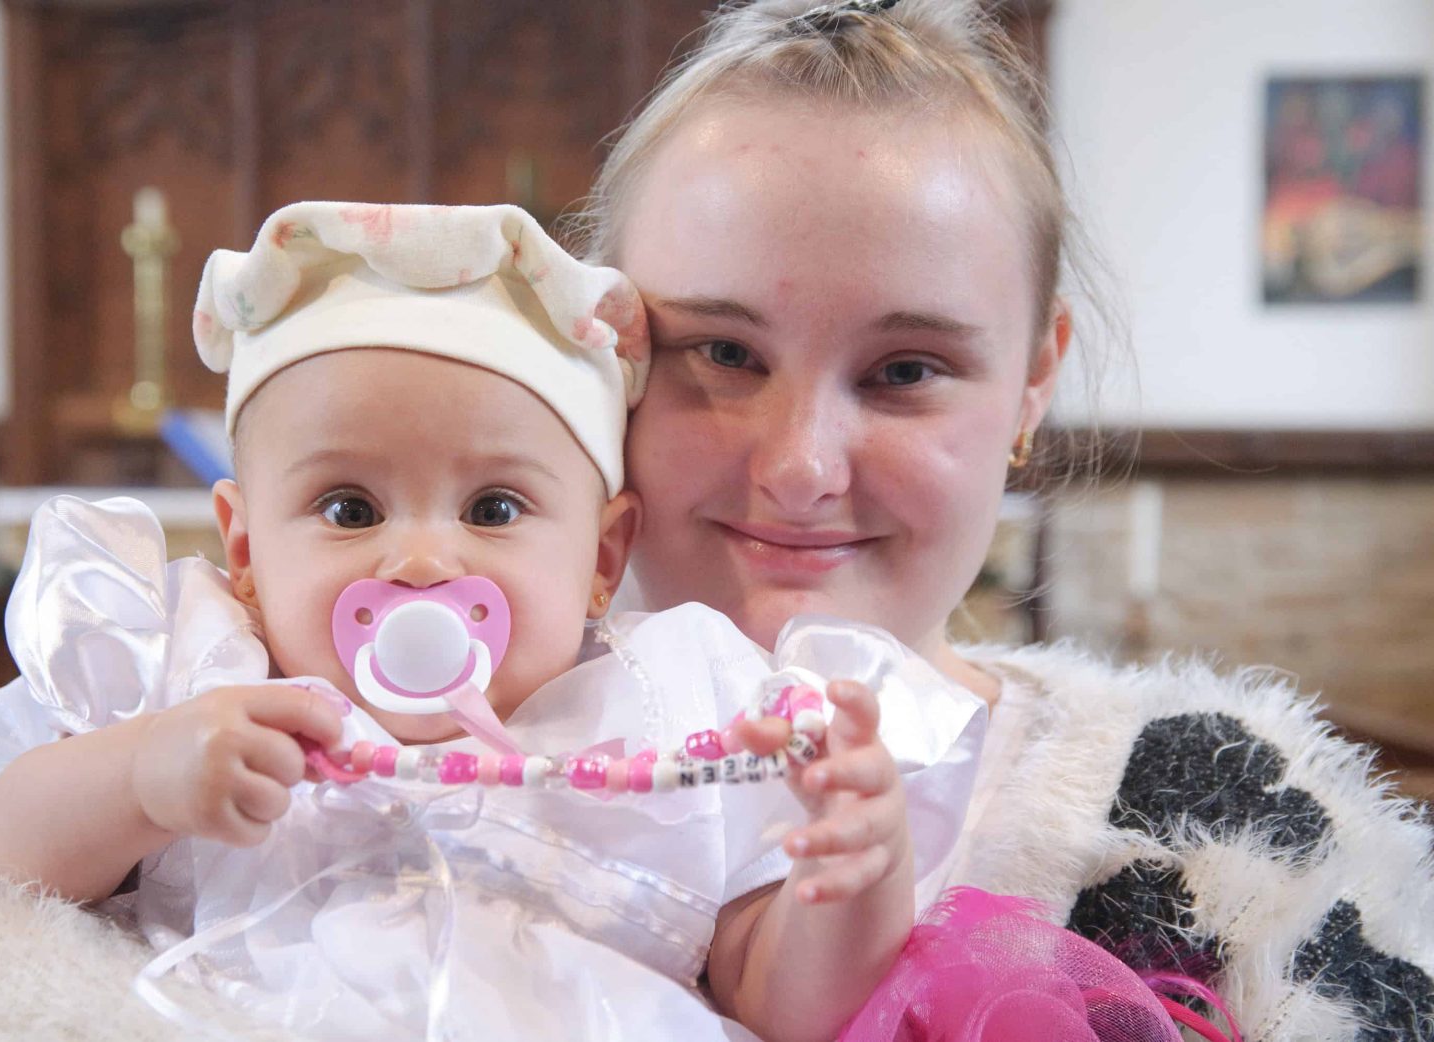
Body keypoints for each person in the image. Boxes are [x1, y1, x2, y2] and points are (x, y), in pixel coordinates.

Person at [565, 1, 1434, 1039]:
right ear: (600, 354)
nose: (798, 467)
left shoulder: (1216, 838)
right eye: (720, 352)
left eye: (903, 371)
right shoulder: (404, 776)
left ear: (1031, 381)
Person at [0, 200, 989, 1041]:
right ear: (249, 551)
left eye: (493, 510)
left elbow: (780, 1007)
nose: (420, 560)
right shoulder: (209, 683)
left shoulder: (672, 711)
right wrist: (141, 773)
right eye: (348, 509)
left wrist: (850, 875)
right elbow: (5, 852)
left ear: (599, 559)